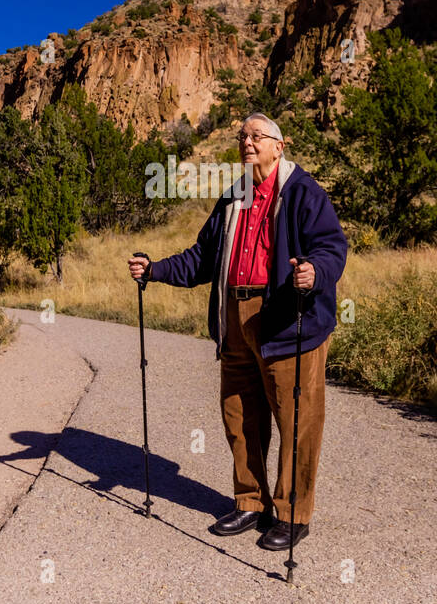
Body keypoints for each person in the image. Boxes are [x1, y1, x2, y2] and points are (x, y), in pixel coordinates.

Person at [127, 113, 347, 550]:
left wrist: (314, 272)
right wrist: (154, 270)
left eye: (257, 136)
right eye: (242, 136)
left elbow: (331, 246)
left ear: (278, 146)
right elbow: (202, 258)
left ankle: (291, 513)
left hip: (286, 316)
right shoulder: (234, 197)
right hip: (234, 314)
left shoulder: (303, 192)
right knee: (239, 414)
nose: (247, 142)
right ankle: (250, 501)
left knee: (296, 419)